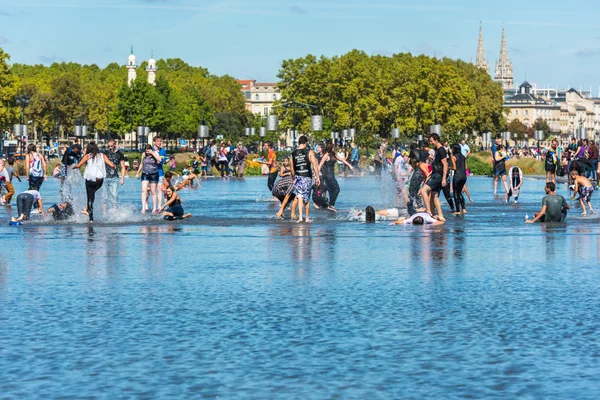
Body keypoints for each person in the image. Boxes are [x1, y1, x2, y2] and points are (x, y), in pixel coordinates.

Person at [72, 142, 116, 223]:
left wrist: (73, 167)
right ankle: (87, 209)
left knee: (90, 197)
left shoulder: (87, 156)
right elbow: (111, 164)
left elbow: (78, 166)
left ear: (89, 149)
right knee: (92, 194)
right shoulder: (102, 155)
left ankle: (91, 218)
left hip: (90, 180)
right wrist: (114, 166)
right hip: (99, 181)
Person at [290, 135, 320, 223]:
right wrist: (317, 177)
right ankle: (306, 218)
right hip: (307, 176)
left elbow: (292, 168)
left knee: (299, 196)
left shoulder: (293, 153)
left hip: (298, 177)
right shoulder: (309, 151)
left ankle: (300, 217)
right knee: (306, 198)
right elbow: (314, 165)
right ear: (306, 142)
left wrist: (293, 179)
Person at [318, 141, 354, 210]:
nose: (334, 148)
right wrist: (318, 175)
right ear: (330, 147)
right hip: (328, 175)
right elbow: (319, 165)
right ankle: (331, 205)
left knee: (331, 191)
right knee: (337, 189)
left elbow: (342, 160)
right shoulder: (326, 155)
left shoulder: (333, 154)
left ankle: (331, 206)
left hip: (331, 175)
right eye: (333, 147)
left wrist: (350, 165)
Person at [421, 133, 448, 221]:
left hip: (438, 175)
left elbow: (445, 164)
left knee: (423, 190)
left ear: (436, 140)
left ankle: (428, 211)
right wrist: (431, 172)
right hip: (435, 173)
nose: (430, 142)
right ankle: (439, 215)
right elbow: (438, 163)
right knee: (434, 195)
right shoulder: (437, 149)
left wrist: (444, 178)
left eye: (431, 141)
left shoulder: (441, 150)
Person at [135, 144, 161, 214]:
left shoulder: (155, 153)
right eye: (146, 150)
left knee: (153, 191)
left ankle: (154, 208)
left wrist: (152, 153)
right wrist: (138, 172)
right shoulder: (143, 154)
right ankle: (143, 207)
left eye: (149, 150)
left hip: (154, 174)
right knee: (144, 190)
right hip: (145, 174)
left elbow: (159, 160)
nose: (147, 152)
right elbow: (141, 164)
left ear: (151, 149)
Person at [102, 138, 126, 213]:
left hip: (114, 178)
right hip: (105, 177)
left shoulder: (120, 154)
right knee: (104, 197)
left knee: (114, 195)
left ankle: (115, 211)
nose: (110, 148)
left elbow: (123, 167)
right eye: (108, 146)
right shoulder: (105, 153)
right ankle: (104, 214)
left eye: (111, 146)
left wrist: (122, 178)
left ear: (115, 144)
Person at [451, 144, 467, 215]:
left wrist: (448, 167)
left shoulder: (453, 157)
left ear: (454, 149)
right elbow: (466, 167)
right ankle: (463, 209)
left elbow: (454, 168)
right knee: (459, 192)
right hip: (464, 176)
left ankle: (457, 210)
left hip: (457, 176)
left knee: (455, 193)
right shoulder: (463, 157)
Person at [153, 136, 168, 209]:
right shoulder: (150, 150)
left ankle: (159, 206)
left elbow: (164, 161)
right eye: (158, 141)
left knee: (159, 189)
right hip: (151, 172)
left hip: (160, 172)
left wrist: (165, 161)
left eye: (160, 141)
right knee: (151, 190)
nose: (159, 143)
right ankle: (148, 206)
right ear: (154, 142)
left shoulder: (163, 151)